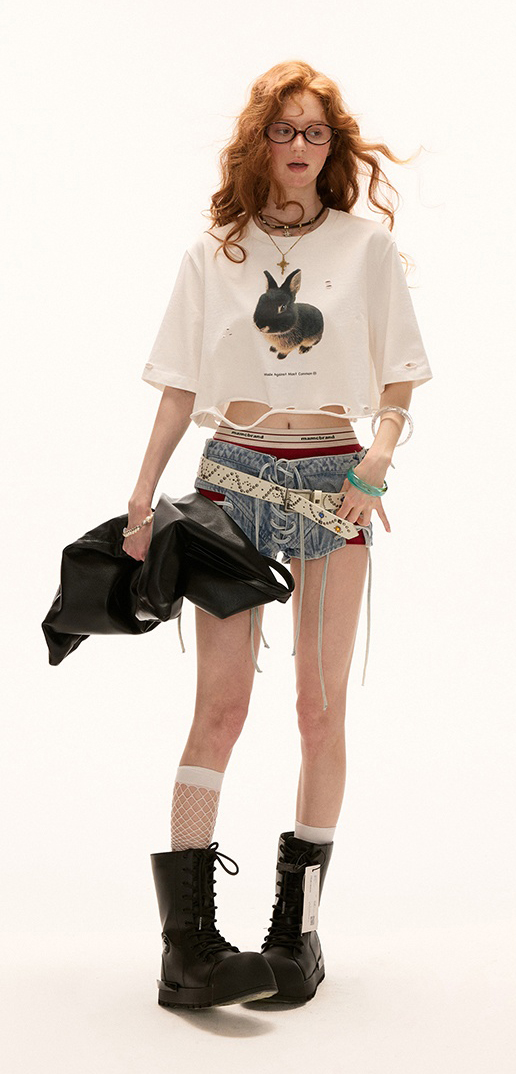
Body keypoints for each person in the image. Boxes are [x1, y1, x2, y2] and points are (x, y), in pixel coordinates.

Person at [123, 61, 433, 1010]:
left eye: (315, 133)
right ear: (258, 141)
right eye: (283, 130)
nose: (299, 146)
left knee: (318, 708)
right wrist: (141, 499)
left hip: (335, 485)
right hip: (232, 479)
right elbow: (181, 388)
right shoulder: (214, 253)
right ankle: (187, 947)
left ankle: (296, 936)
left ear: (332, 147)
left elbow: (399, 376)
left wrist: (377, 461)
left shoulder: (367, 247)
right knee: (220, 708)